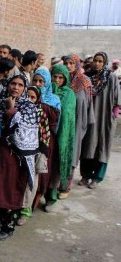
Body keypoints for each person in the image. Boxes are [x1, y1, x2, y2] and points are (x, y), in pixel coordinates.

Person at [0, 75, 39, 240]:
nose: (16, 87)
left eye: (20, 85)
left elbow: (25, 133)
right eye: (13, 83)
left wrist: (11, 110)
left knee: (12, 190)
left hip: (18, 157)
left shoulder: (29, 107)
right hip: (1, 153)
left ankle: (8, 226)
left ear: (24, 88)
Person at [80, 52, 121, 189]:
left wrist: (113, 115)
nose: (97, 63)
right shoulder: (87, 77)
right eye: (95, 61)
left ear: (104, 63)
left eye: (100, 61)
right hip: (90, 117)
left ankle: (97, 178)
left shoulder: (111, 77)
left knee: (102, 146)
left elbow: (117, 98)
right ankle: (85, 175)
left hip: (105, 118)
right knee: (87, 145)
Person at [18, 86, 51, 226]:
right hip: (20, 152)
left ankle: (25, 211)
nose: (30, 101)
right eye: (28, 97)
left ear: (38, 99)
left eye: (33, 98)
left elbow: (45, 134)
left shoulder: (41, 113)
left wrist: (40, 152)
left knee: (31, 182)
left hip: (35, 152)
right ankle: (16, 208)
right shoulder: (19, 110)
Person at [63, 54, 94, 193]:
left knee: (73, 152)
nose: (68, 66)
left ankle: (66, 186)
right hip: (64, 121)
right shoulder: (62, 78)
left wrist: (82, 124)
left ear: (76, 64)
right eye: (66, 63)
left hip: (77, 121)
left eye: (71, 63)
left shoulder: (84, 80)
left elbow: (86, 104)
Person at [32, 68, 61, 211]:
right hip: (30, 139)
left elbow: (56, 121)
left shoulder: (54, 100)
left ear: (47, 83)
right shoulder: (30, 95)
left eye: (41, 81)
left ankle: (38, 199)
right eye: (35, 80)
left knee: (43, 169)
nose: (38, 84)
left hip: (47, 140)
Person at [51, 64, 77, 200]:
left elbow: (68, 114)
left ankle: (52, 195)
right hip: (47, 135)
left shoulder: (69, 94)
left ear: (66, 78)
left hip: (62, 135)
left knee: (56, 166)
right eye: (55, 76)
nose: (57, 80)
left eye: (61, 77)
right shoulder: (46, 91)